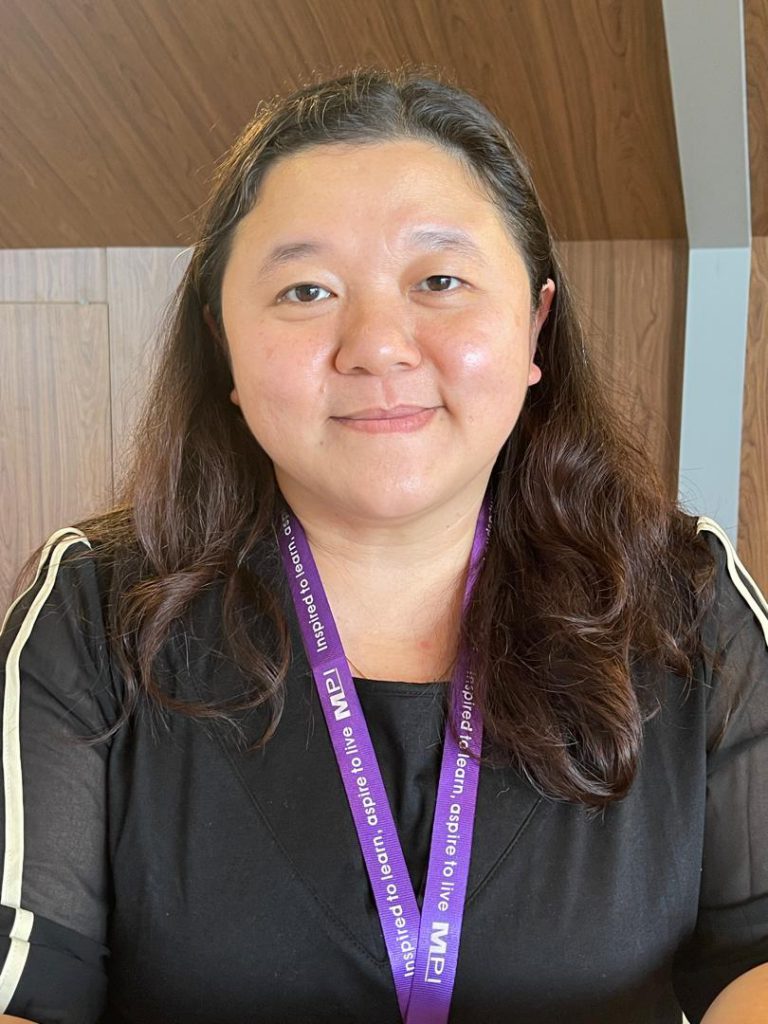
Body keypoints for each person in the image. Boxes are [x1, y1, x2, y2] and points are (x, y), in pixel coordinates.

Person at [0, 66, 766, 1024]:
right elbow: (26, 984)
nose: (377, 344)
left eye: (439, 281)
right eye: (306, 289)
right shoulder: (93, 610)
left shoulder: (682, 596)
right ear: (222, 342)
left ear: (535, 324)